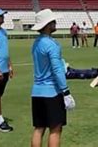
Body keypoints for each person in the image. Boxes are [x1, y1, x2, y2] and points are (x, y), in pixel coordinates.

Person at [30, 9, 76, 147]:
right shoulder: (51, 44)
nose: (55, 24)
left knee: (39, 128)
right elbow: (56, 70)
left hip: (37, 91)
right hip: (52, 92)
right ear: (47, 25)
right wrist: (66, 91)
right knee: (55, 129)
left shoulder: (36, 43)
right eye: (53, 22)